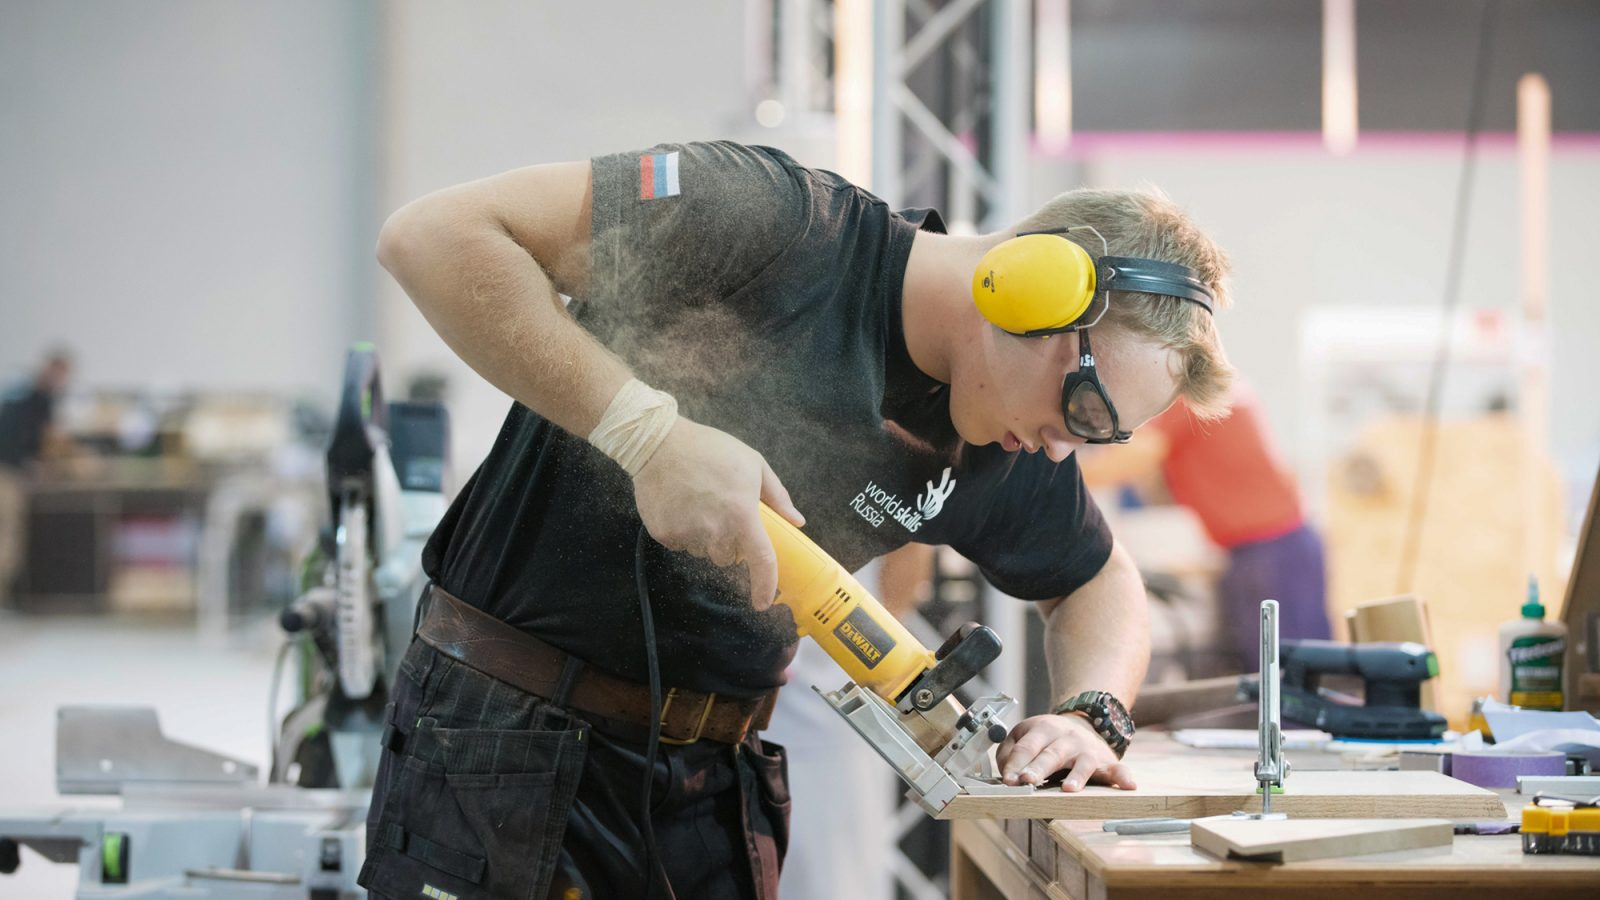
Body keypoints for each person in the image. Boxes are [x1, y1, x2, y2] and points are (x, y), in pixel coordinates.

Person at [361, 141, 1233, 900]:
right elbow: (433, 236)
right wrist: (647, 435)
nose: (1061, 450)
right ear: (1033, 288)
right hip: (503, 748)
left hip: (711, 780)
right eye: (1083, 412)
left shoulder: (1003, 441)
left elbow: (1099, 579)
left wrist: (1090, 714)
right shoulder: (776, 227)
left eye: (1100, 435)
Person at [1081, 381, 1331, 669]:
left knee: (1284, 675)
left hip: (1272, 550)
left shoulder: (1189, 397)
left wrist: (1054, 469)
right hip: (1274, 546)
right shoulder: (1216, 390)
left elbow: (1132, 458)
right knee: (1284, 673)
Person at [0, 349, 73, 608]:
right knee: (8, 536)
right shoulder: (30, 397)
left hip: (11, 470)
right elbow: (17, 438)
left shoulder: (34, 396)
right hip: (7, 474)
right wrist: (28, 464)